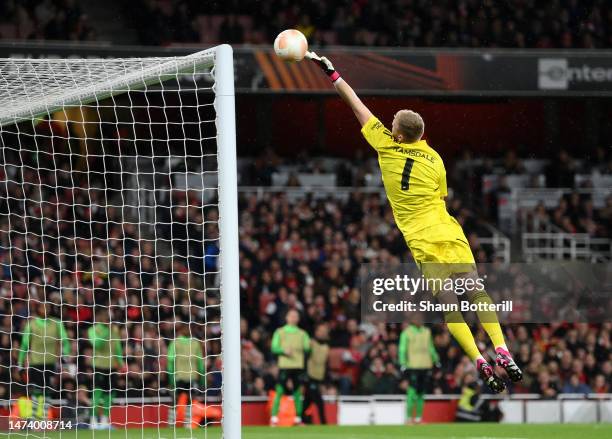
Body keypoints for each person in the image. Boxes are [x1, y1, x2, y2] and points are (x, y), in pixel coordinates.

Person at [307, 52, 522, 393]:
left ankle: (479, 361)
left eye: (392, 126)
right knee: (476, 290)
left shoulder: (386, 147)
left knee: (450, 306)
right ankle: (501, 348)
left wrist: (333, 74)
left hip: (421, 239)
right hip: (447, 229)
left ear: (399, 135)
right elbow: (440, 196)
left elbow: (358, 107)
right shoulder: (435, 158)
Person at [17, 299, 71, 420]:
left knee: (48, 392)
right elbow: (25, 345)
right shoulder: (32, 324)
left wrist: (64, 356)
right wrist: (20, 363)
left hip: (50, 364)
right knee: (36, 391)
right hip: (35, 364)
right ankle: (35, 417)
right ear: (38, 308)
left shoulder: (56, 323)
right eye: (43, 307)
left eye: (48, 307)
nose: (46, 309)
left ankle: (45, 417)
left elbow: (65, 341)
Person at [270, 309, 311, 426]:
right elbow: (274, 347)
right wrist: (283, 350)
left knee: (298, 392)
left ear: (298, 319)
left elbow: (308, 348)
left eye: (295, 316)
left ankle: (298, 419)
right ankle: (274, 418)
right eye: (291, 315)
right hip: (285, 365)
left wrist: (309, 347)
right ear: (287, 318)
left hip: (298, 366)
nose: (293, 318)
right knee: (279, 391)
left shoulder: (302, 334)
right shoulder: (280, 332)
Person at [87, 306, 124, 429]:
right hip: (99, 366)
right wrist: (108, 332)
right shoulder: (93, 330)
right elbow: (97, 344)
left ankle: (104, 421)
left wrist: (121, 363)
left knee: (110, 395)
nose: (107, 319)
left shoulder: (114, 330)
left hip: (112, 367)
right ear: (98, 317)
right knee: (97, 394)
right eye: (104, 316)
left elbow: (117, 347)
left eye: (108, 317)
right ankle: (93, 421)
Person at [398, 315, 439, 424]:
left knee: (422, 393)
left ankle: (418, 418)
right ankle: (408, 418)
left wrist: (436, 359)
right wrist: (402, 362)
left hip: (426, 366)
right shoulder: (406, 333)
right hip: (413, 366)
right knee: (411, 393)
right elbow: (402, 349)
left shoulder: (427, 332)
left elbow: (430, 347)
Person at [167, 322, 206, 427]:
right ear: (181, 330)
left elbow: (200, 363)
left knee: (187, 401)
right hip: (181, 377)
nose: (188, 330)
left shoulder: (193, 343)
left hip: (189, 377)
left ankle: (184, 424)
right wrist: (171, 377)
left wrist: (202, 377)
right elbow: (170, 361)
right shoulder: (178, 343)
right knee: (178, 401)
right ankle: (174, 424)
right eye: (186, 328)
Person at [303, 323, 330, 424]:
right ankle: (324, 423)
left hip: (318, 378)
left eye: (325, 331)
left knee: (307, 402)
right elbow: (304, 359)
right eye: (321, 331)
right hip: (309, 377)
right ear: (316, 332)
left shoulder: (326, 347)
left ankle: (302, 418)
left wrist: (326, 382)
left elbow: (326, 365)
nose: (323, 333)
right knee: (319, 402)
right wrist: (303, 376)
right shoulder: (311, 343)